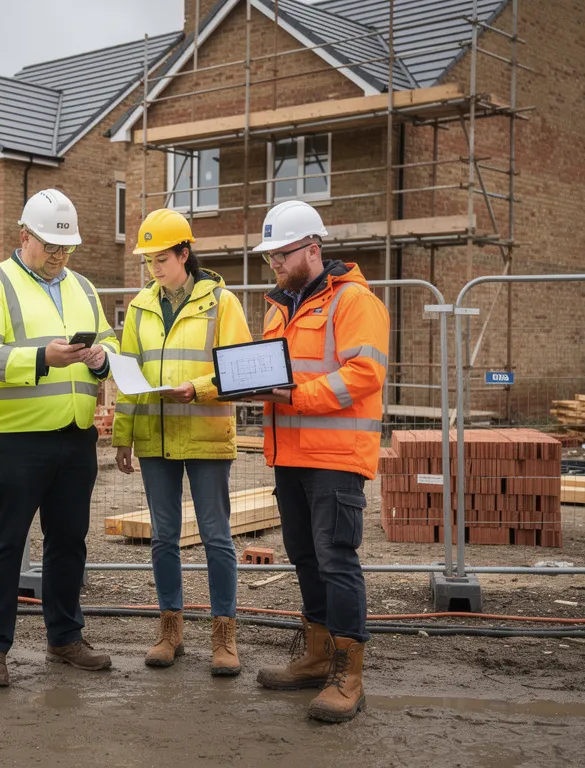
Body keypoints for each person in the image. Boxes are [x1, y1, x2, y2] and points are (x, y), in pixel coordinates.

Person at [0, 189, 120, 687]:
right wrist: (42, 358)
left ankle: (65, 638)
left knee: (69, 542)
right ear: (23, 236)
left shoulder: (84, 287)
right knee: (4, 544)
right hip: (15, 438)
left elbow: (110, 342)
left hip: (74, 437)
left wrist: (102, 359)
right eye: (50, 245)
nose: (59, 256)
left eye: (66, 248)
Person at [246, 200, 388, 723]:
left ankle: (348, 675)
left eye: (281, 255)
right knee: (305, 556)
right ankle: (317, 654)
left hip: (335, 456)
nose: (275, 265)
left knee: (337, 560)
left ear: (312, 248)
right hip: (291, 455)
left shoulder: (353, 301)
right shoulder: (279, 307)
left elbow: (364, 375)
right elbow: (271, 372)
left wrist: (294, 395)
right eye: (270, 258)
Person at [112, 209, 252, 675]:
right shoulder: (139, 307)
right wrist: (123, 437)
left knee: (216, 537)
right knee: (163, 538)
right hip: (156, 436)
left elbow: (240, 368)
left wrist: (199, 389)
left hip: (205, 430)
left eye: (161, 258)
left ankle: (224, 635)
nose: (154, 268)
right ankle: (170, 630)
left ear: (184, 254)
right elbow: (129, 374)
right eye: (148, 260)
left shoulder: (221, 304)